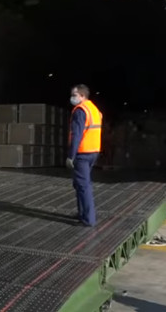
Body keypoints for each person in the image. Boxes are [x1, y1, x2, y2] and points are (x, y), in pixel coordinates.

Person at [66, 84, 102, 227]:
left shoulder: (81, 111)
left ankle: (88, 219)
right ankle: (82, 213)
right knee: (80, 183)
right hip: (94, 151)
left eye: (74, 95)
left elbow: (77, 135)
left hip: (82, 153)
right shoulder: (94, 109)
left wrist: (71, 156)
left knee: (83, 186)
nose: (72, 98)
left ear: (82, 96)